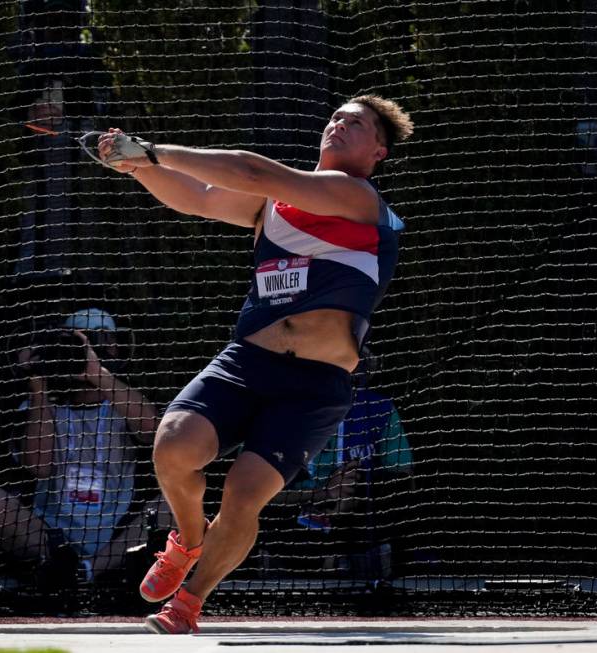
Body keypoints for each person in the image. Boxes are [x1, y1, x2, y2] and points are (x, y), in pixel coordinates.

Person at [96, 95, 413, 633]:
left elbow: (247, 167)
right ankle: (187, 541)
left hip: (312, 386)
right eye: (335, 117)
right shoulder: (273, 207)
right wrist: (138, 168)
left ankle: (188, 605)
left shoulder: (357, 197)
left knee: (244, 494)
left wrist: (154, 151)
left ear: (378, 150)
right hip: (246, 362)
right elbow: (197, 198)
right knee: (173, 445)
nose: (338, 124)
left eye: (355, 123)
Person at [0, 307, 166, 583]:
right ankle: (62, 565)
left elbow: (153, 430)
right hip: (47, 535)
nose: (100, 348)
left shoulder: (124, 405)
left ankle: (88, 571)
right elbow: (39, 467)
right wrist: (37, 383)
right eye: (84, 342)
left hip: (117, 537)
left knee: (173, 505)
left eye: (106, 341)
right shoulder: (40, 408)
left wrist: (98, 373)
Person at [280, 350, 414, 579]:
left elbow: (403, 476)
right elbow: (253, 493)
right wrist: (325, 494)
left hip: (361, 527)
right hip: (290, 530)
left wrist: (357, 493)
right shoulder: (279, 411)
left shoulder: (379, 408)